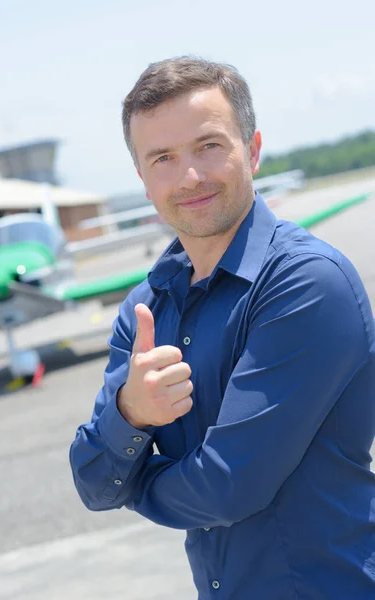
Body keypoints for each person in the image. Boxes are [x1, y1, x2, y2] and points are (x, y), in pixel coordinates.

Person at [69, 56, 375, 599]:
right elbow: (91, 482)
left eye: (209, 146)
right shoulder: (144, 308)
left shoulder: (306, 284)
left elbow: (227, 488)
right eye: (162, 158)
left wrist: (133, 480)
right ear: (142, 180)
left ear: (252, 150)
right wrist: (131, 413)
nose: (188, 176)